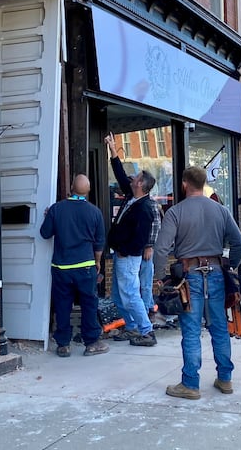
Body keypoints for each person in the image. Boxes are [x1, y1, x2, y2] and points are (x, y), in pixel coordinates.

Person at [154, 166, 241, 400]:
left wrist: (159, 275)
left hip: (189, 275)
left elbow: (161, 248)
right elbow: (239, 244)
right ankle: (225, 379)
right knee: (219, 328)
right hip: (215, 272)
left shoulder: (176, 212)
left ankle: (191, 383)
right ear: (204, 184)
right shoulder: (221, 210)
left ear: (185, 183)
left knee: (192, 330)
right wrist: (230, 266)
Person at [40, 174, 109, 358]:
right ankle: (92, 343)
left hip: (62, 267)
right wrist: (97, 262)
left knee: (63, 305)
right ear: (88, 191)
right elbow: (99, 242)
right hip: (86, 266)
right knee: (89, 304)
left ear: (71, 187)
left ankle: (63, 344)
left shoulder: (57, 209)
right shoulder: (95, 212)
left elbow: (45, 233)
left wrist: (49, 217)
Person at [104, 133, 159, 347]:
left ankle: (147, 331)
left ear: (141, 185)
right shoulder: (131, 196)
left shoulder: (144, 208)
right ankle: (131, 327)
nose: (132, 177)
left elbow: (140, 239)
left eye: (136, 177)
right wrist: (112, 148)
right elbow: (119, 174)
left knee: (130, 295)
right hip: (121, 255)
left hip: (128, 257)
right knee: (119, 297)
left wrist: (124, 250)